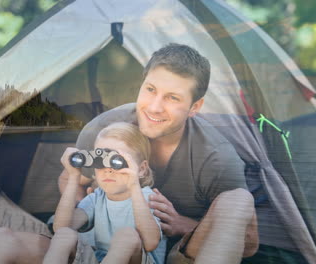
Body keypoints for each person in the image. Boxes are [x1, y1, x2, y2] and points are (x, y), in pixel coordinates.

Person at [58, 43, 259, 264]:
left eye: (173, 98)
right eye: (150, 89)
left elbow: (249, 244)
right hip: (118, 251)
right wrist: (92, 209)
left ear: (195, 107)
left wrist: (184, 225)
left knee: (239, 199)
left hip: (184, 254)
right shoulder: (106, 131)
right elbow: (70, 178)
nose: (154, 107)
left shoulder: (215, 157)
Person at [45, 122, 166, 264]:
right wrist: (73, 176)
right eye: (100, 161)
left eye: (117, 161)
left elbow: (151, 242)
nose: (107, 169)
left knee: (126, 235)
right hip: (100, 259)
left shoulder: (148, 198)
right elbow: (60, 228)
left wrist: (133, 185)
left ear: (141, 169)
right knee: (65, 234)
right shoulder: (97, 198)